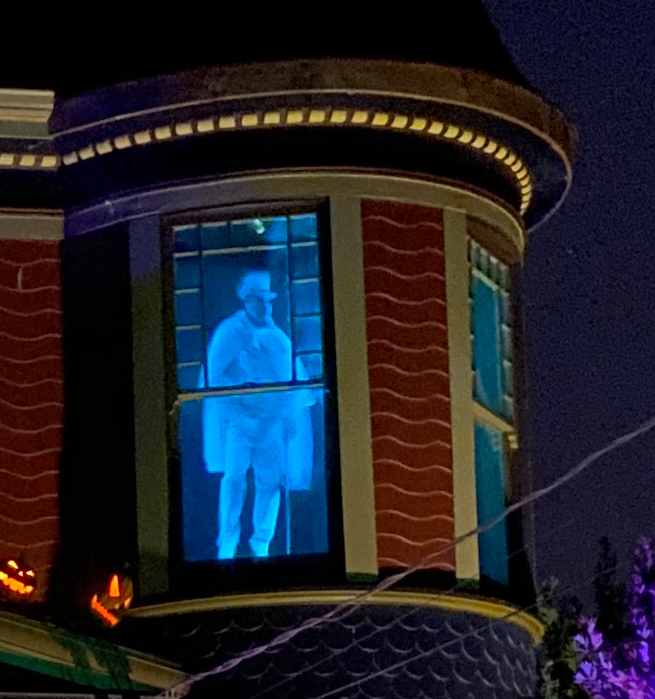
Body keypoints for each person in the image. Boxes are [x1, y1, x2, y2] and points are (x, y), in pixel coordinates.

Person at [201, 270, 314, 559]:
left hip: (271, 423)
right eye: (258, 300)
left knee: (269, 482)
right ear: (247, 300)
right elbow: (214, 377)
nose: (264, 306)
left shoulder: (277, 337)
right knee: (234, 480)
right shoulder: (230, 331)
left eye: (267, 300)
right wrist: (238, 400)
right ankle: (228, 540)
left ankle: (261, 542)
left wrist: (288, 415)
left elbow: (291, 383)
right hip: (240, 423)